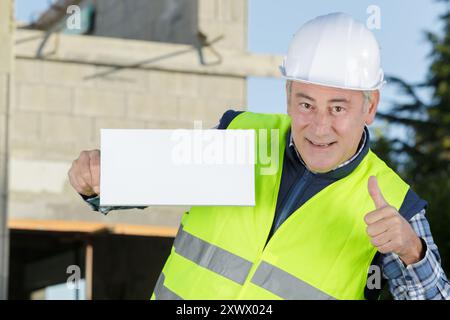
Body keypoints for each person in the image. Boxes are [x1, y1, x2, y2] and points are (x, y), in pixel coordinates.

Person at [68, 13, 450, 300]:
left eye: (338, 108)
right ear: (287, 97)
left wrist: (411, 250)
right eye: (305, 104)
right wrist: (102, 178)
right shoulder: (241, 135)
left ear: (370, 107)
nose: (318, 127)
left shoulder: (396, 205)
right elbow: (146, 177)